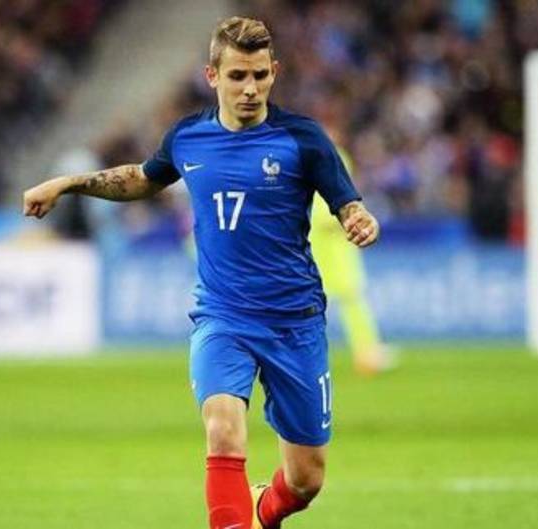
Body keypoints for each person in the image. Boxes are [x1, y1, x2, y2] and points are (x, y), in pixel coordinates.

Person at [23, 16, 379, 529]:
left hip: (294, 321)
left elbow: (348, 204)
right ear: (212, 76)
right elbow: (140, 179)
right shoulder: (188, 137)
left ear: (274, 72)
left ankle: (262, 511)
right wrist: (67, 183)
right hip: (223, 317)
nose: (250, 88)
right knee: (223, 430)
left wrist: (360, 219)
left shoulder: (303, 140)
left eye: (259, 75)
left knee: (306, 479)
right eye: (237, 76)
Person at [309, 126, 396, 376]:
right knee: (348, 299)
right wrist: (347, 220)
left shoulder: (313, 156)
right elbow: (334, 202)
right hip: (331, 244)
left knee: (328, 301)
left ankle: (367, 351)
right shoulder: (332, 157)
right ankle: (368, 353)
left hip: (323, 243)